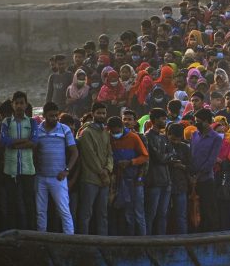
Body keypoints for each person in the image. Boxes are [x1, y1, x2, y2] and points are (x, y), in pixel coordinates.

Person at [31, 102, 78, 235]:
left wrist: (67, 170)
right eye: (51, 116)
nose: (55, 118)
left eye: (56, 115)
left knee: (64, 211)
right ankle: (42, 239)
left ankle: (70, 240)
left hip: (58, 178)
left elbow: (75, 153)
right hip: (41, 177)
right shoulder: (37, 130)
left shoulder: (64, 129)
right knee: (40, 211)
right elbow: (34, 151)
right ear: (44, 115)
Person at [0, 90, 37, 230]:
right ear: (12, 105)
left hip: (28, 169)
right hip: (11, 170)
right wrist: (23, 141)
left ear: (26, 105)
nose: (19, 106)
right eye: (17, 103)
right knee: (12, 203)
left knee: (29, 203)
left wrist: (14, 143)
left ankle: (31, 234)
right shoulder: (7, 122)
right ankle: (12, 234)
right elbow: (3, 141)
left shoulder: (32, 122)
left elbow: (34, 142)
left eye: (22, 103)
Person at [108, 115, 149, 235]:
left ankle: (143, 242)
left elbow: (145, 157)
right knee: (126, 213)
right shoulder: (109, 138)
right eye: (113, 132)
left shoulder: (134, 137)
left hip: (135, 180)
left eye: (118, 131)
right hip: (118, 181)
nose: (116, 134)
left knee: (138, 213)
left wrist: (131, 162)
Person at [77, 101, 113, 235]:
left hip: (104, 180)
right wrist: (102, 172)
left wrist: (108, 169)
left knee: (103, 214)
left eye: (103, 113)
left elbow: (110, 154)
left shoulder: (105, 132)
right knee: (86, 213)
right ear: (93, 114)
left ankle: (103, 242)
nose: (101, 115)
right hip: (90, 179)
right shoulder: (86, 133)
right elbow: (90, 155)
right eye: (99, 113)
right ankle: (84, 242)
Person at [143, 107, 175, 235]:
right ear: (155, 120)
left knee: (163, 214)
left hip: (166, 181)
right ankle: (149, 240)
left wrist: (167, 157)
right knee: (151, 213)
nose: (165, 121)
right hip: (154, 181)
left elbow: (171, 153)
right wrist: (168, 157)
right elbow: (159, 158)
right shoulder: (147, 137)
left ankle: (161, 239)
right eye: (163, 118)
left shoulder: (163, 137)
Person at [190, 108, 223, 233]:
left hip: (206, 179)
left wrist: (197, 176)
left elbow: (211, 161)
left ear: (208, 122)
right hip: (193, 179)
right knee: (195, 210)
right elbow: (191, 156)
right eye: (196, 121)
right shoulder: (194, 135)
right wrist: (191, 175)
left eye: (200, 121)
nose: (197, 123)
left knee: (209, 210)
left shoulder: (216, 138)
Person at [166, 122, 191, 234]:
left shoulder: (185, 147)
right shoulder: (164, 145)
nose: (175, 142)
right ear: (168, 135)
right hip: (165, 185)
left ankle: (183, 240)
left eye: (178, 139)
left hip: (181, 185)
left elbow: (192, 166)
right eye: (173, 139)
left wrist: (181, 166)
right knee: (164, 215)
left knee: (181, 216)